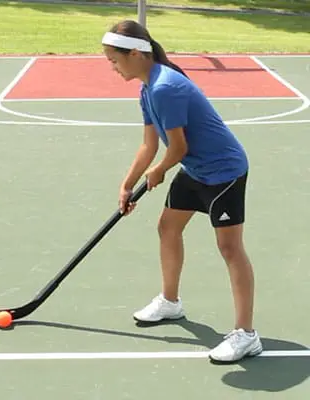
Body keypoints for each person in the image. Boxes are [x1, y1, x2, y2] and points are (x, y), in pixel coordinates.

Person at [101, 20, 263, 363]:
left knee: (229, 248)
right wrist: (128, 184)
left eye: (114, 60)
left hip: (224, 172)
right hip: (196, 170)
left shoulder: (165, 87)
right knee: (168, 227)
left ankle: (246, 335)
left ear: (135, 53)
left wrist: (158, 172)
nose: (112, 67)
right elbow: (149, 145)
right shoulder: (147, 89)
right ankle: (170, 302)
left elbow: (178, 148)